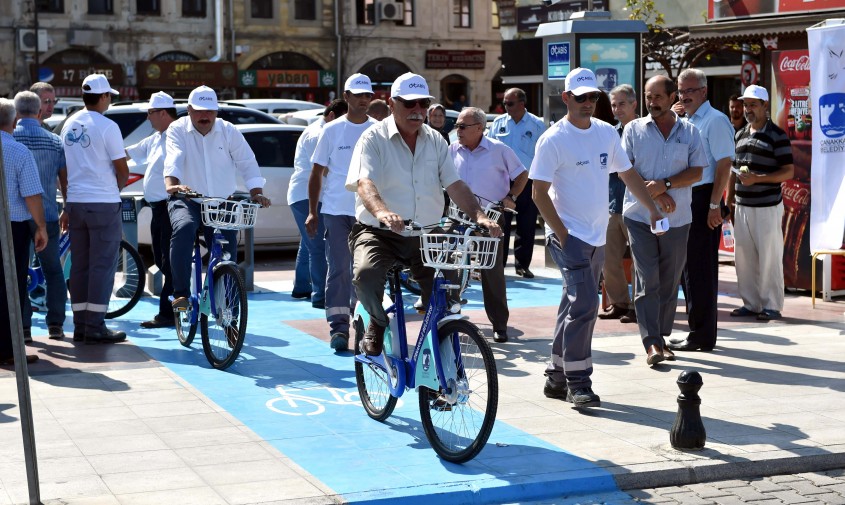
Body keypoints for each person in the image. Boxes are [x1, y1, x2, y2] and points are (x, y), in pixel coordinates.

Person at [346, 72, 501, 356]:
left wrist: (479, 215)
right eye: (409, 104)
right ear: (391, 104)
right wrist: (384, 212)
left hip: (425, 234)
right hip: (379, 233)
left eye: (422, 104)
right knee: (365, 276)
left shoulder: (435, 140)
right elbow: (364, 183)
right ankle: (377, 323)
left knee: (445, 292)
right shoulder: (372, 138)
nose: (417, 110)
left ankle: (442, 361)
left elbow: (453, 183)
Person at [531, 68, 659, 408]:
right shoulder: (553, 139)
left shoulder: (605, 133)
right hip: (568, 238)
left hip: (597, 236)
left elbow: (628, 173)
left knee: (572, 305)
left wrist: (652, 208)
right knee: (585, 305)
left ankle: (556, 377)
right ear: (566, 98)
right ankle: (578, 382)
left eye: (593, 97)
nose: (588, 103)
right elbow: (538, 194)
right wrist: (562, 234)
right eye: (581, 97)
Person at [164, 86, 271, 327]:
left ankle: (230, 315)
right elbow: (174, 156)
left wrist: (256, 192)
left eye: (210, 112)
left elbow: (247, 161)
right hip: (187, 198)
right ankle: (181, 294)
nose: (205, 117)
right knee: (184, 229)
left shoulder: (228, 130)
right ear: (189, 110)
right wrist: (172, 184)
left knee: (227, 255)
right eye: (199, 111)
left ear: (216, 111)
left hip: (221, 201)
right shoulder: (177, 129)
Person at [621, 75, 707, 367]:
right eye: (648, 96)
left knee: (670, 280)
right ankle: (652, 343)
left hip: (678, 218)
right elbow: (625, 171)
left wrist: (666, 184)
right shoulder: (633, 130)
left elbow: (698, 172)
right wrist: (655, 196)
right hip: (639, 216)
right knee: (647, 278)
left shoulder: (691, 132)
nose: (652, 102)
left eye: (658, 96)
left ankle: (662, 335)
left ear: (673, 98)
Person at [306, 73, 376, 352]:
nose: (363, 100)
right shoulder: (331, 130)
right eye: (358, 95)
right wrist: (313, 211)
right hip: (336, 212)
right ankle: (338, 327)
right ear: (345, 97)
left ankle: (367, 325)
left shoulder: (378, 129)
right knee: (338, 271)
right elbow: (316, 172)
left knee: (368, 272)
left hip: (369, 214)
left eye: (368, 95)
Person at [667, 69, 735, 353]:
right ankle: (697, 329)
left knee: (701, 269)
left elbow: (723, 166)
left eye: (690, 91)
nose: (684, 96)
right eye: (681, 91)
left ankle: (703, 334)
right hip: (685, 196)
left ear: (704, 91)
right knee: (687, 268)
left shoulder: (715, 120)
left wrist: (714, 205)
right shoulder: (684, 120)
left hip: (704, 196)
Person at [61, 74, 129, 344]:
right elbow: (121, 169)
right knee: (102, 266)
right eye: (109, 96)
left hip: (76, 203)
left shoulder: (68, 124)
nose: (110, 100)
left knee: (80, 265)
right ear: (102, 97)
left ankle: (80, 325)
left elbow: (63, 169)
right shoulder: (108, 126)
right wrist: (115, 189)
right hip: (103, 202)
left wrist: (67, 202)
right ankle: (95, 326)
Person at [450, 106, 527, 343]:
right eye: (457, 126)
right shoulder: (451, 149)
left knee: (491, 273)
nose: (458, 130)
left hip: (491, 218)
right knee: (449, 266)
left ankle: (499, 325)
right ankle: (449, 318)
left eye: (463, 126)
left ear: (480, 128)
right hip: (456, 217)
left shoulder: (499, 150)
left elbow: (522, 175)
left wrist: (511, 197)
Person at [726, 85, 794, 321]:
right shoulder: (740, 134)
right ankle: (751, 303)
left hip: (767, 207)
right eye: (746, 104)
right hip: (742, 206)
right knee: (743, 258)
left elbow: (788, 171)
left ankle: (772, 305)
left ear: (766, 106)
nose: (747, 109)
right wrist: (728, 201)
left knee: (769, 257)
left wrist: (759, 179)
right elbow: (732, 171)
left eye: (753, 104)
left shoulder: (778, 135)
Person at [13, 91, 68, 341]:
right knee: (54, 271)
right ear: (38, 112)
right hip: (47, 215)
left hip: (17, 217)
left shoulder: (9, 138)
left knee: (18, 271)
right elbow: (64, 181)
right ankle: (55, 324)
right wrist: (67, 207)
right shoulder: (55, 141)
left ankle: (24, 327)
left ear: (15, 114)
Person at [0, 98, 48, 365]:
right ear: (14, 121)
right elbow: (31, 195)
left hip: (11, 228)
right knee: (11, 289)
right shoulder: (19, 152)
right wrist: (40, 226)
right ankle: (8, 349)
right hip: (11, 229)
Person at [288, 99, 348, 309]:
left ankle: (301, 287)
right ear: (331, 116)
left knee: (308, 244)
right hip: (306, 194)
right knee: (318, 246)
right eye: (343, 119)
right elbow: (324, 169)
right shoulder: (318, 134)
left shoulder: (320, 130)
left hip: (307, 194)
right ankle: (320, 296)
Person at [125, 91, 177, 329]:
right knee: (163, 261)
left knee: (170, 263)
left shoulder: (178, 136)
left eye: (150, 113)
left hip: (172, 207)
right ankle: (174, 309)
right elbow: (129, 152)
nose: (148, 118)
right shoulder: (157, 137)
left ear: (163, 113)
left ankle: (169, 313)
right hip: (158, 209)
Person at [487, 88, 546, 278]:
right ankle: (499, 264)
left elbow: (543, 154)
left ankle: (522, 265)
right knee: (500, 223)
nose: (506, 107)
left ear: (522, 103)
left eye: (510, 103)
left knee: (526, 224)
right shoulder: (498, 123)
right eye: (505, 103)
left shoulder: (537, 124)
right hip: (502, 181)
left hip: (528, 181)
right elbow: (489, 149)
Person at [599, 84, 639, 324]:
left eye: (621, 104)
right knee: (607, 258)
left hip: (636, 204)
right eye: (613, 104)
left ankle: (637, 306)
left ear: (634, 104)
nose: (616, 109)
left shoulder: (645, 131)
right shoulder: (609, 133)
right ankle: (620, 303)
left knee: (639, 260)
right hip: (612, 204)